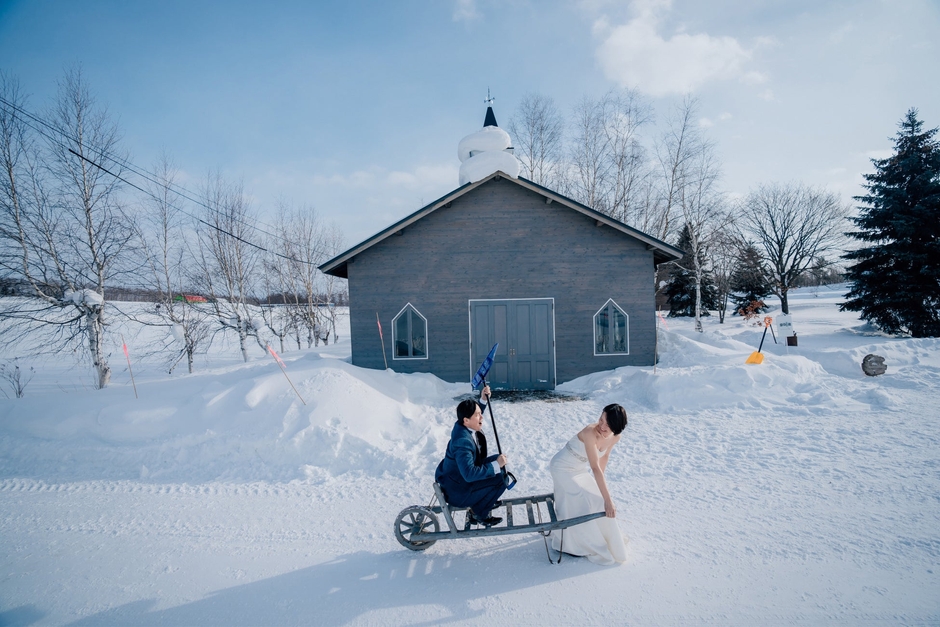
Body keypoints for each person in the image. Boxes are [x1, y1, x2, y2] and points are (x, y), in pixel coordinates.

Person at [549, 404, 629, 565]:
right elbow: (594, 467)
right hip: (562, 467)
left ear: (616, 427)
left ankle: (606, 539)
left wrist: (600, 489)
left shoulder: (615, 437)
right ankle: (577, 544)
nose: (602, 426)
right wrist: (608, 499)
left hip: (579, 469)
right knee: (582, 499)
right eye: (601, 419)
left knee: (598, 498)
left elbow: (604, 458)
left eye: (607, 424)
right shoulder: (590, 432)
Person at [435, 385, 509, 526]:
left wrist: (483, 400)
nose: (481, 417)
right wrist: (496, 465)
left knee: (497, 463)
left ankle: (485, 500)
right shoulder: (462, 442)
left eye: (480, 413)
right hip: (459, 491)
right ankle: (478, 513)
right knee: (501, 479)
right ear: (466, 420)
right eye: (478, 415)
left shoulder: (462, 425)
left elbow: (473, 416)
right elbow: (469, 474)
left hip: (455, 479)